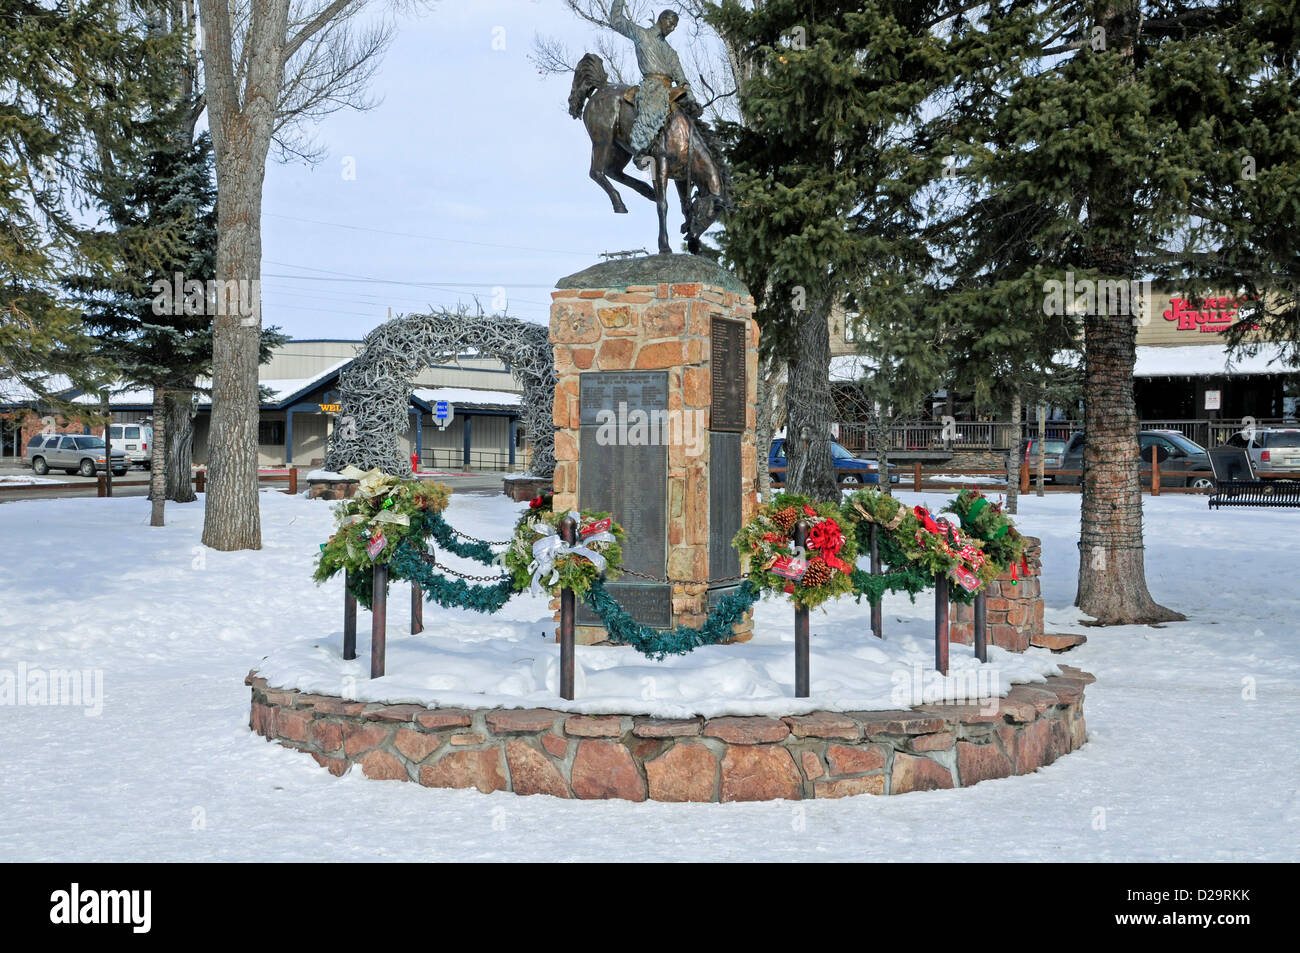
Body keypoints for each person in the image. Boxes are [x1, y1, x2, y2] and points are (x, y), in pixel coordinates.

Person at [608, 1, 699, 168]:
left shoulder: (671, 53)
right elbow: (616, 20)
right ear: (662, 19)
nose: (672, 28)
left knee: (691, 116)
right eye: (671, 24)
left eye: (675, 27)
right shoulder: (642, 35)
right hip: (652, 86)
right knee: (654, 106)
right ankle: (640, 149)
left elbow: (682, 80)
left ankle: (693, 160)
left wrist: (692, 100)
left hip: (669, 89)